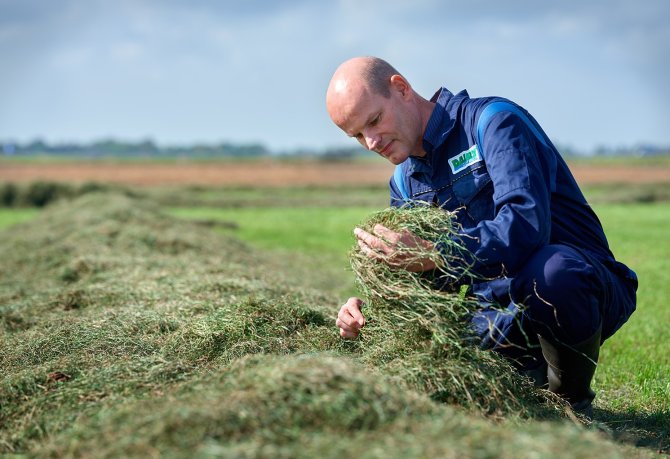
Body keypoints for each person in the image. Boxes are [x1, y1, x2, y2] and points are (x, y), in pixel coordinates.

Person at [326, 56, 638, 416]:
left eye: (374, 121)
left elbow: (525, 225)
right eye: (357, 136)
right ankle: (527, 381)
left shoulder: (493, 122)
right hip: (500, 318)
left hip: (575, 289)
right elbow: (423, 282)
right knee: (431, 353)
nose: (372, 142)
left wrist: (440, 253)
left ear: (401, 88)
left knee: (552, 272)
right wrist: (370, 308)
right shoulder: (402, 183)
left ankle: (571, 403)